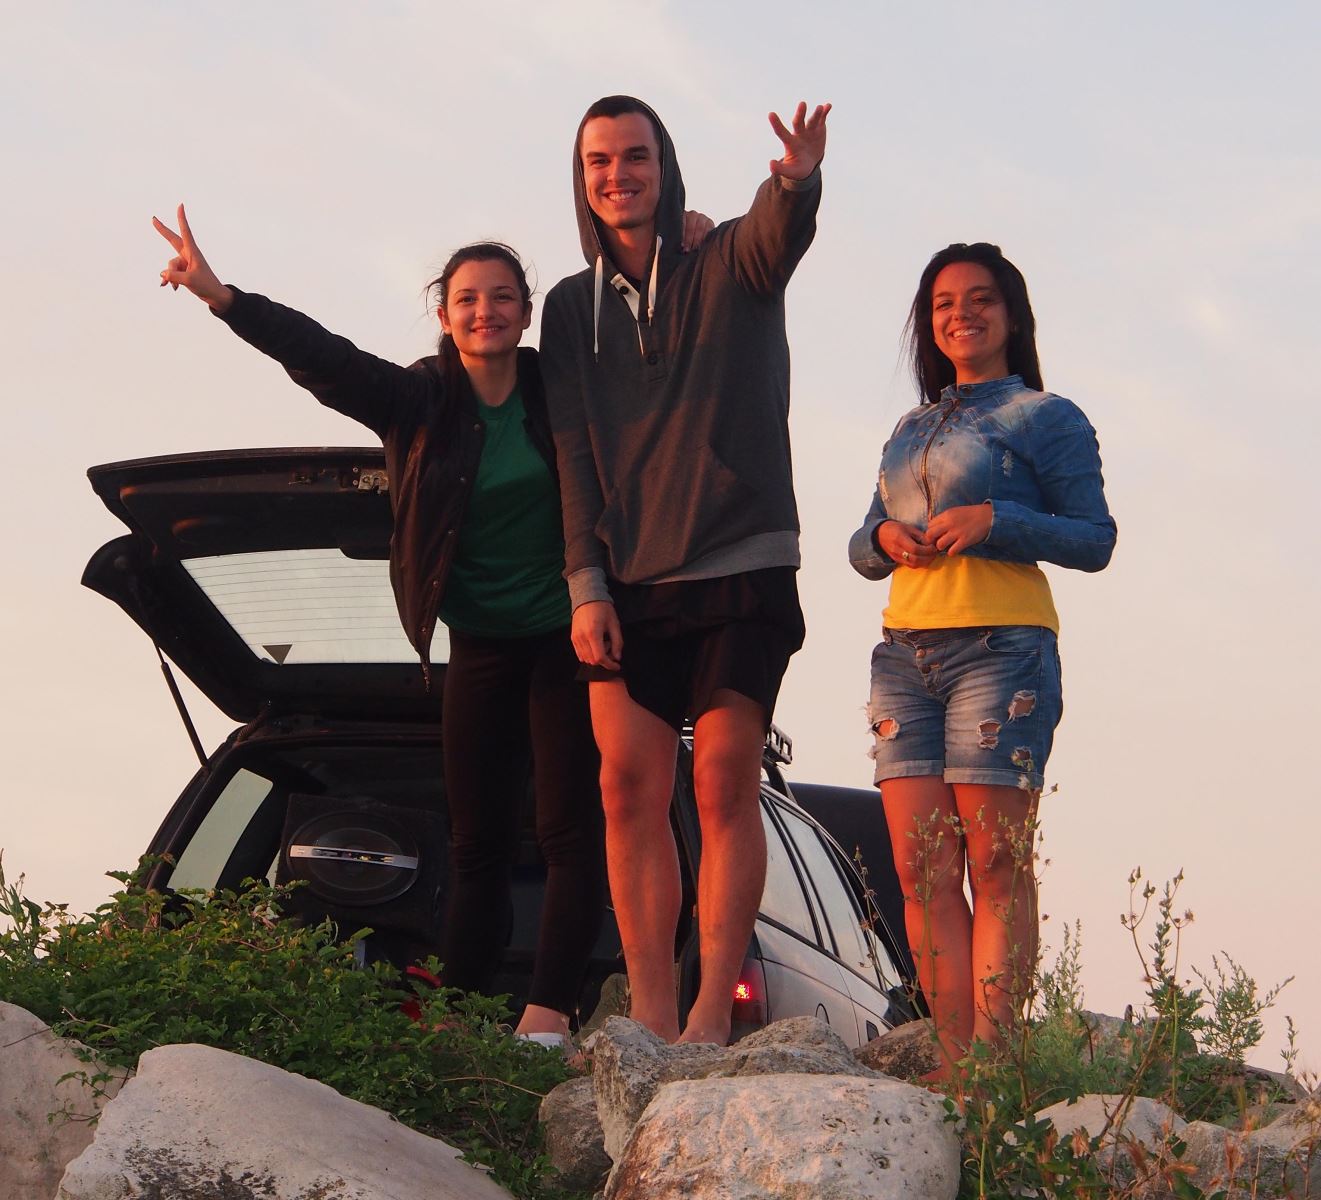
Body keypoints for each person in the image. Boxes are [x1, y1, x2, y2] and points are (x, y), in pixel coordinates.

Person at [152, 205, 714, 1045]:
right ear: (443, 314)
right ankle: (455, 1014)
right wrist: (220, 295)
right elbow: (324, 358)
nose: (485, 312)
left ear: (525, 311)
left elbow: (649, 352)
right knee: (475, 839)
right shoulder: (418, 400)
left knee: (566, 832)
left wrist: (684, 252)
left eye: (501, 297)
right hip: (479, 640)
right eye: (467, 300)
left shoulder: (560, 391)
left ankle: (548, 1013)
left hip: (567, 638)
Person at [539, 96, 830, 1045]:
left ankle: (709, 1013)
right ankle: (652, 1013)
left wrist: (793, 179)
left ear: (663, 167)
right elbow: (573, 456)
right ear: (581, 179)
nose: (616, 174)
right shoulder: (567, 309)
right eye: (598, 161)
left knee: (722, 785)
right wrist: (586, 587)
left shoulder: (728, 259)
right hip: (627, 581)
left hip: (740, 560)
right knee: (626, 791)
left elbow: (777, 235)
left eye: (635, 156)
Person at [848, 242, 1116, 1078]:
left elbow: (1094, 538)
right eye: (942, 304)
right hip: (904, 654)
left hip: (1002, 648)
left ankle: (994, 1066)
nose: (960, 315)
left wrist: (996, 520)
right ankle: (953, 1057)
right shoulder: (909, 429)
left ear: (1010, 314)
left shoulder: (1045, 416)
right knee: (920, 867)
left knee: (995, 861)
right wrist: (883, 537)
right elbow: (860, 545)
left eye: (979, 300)